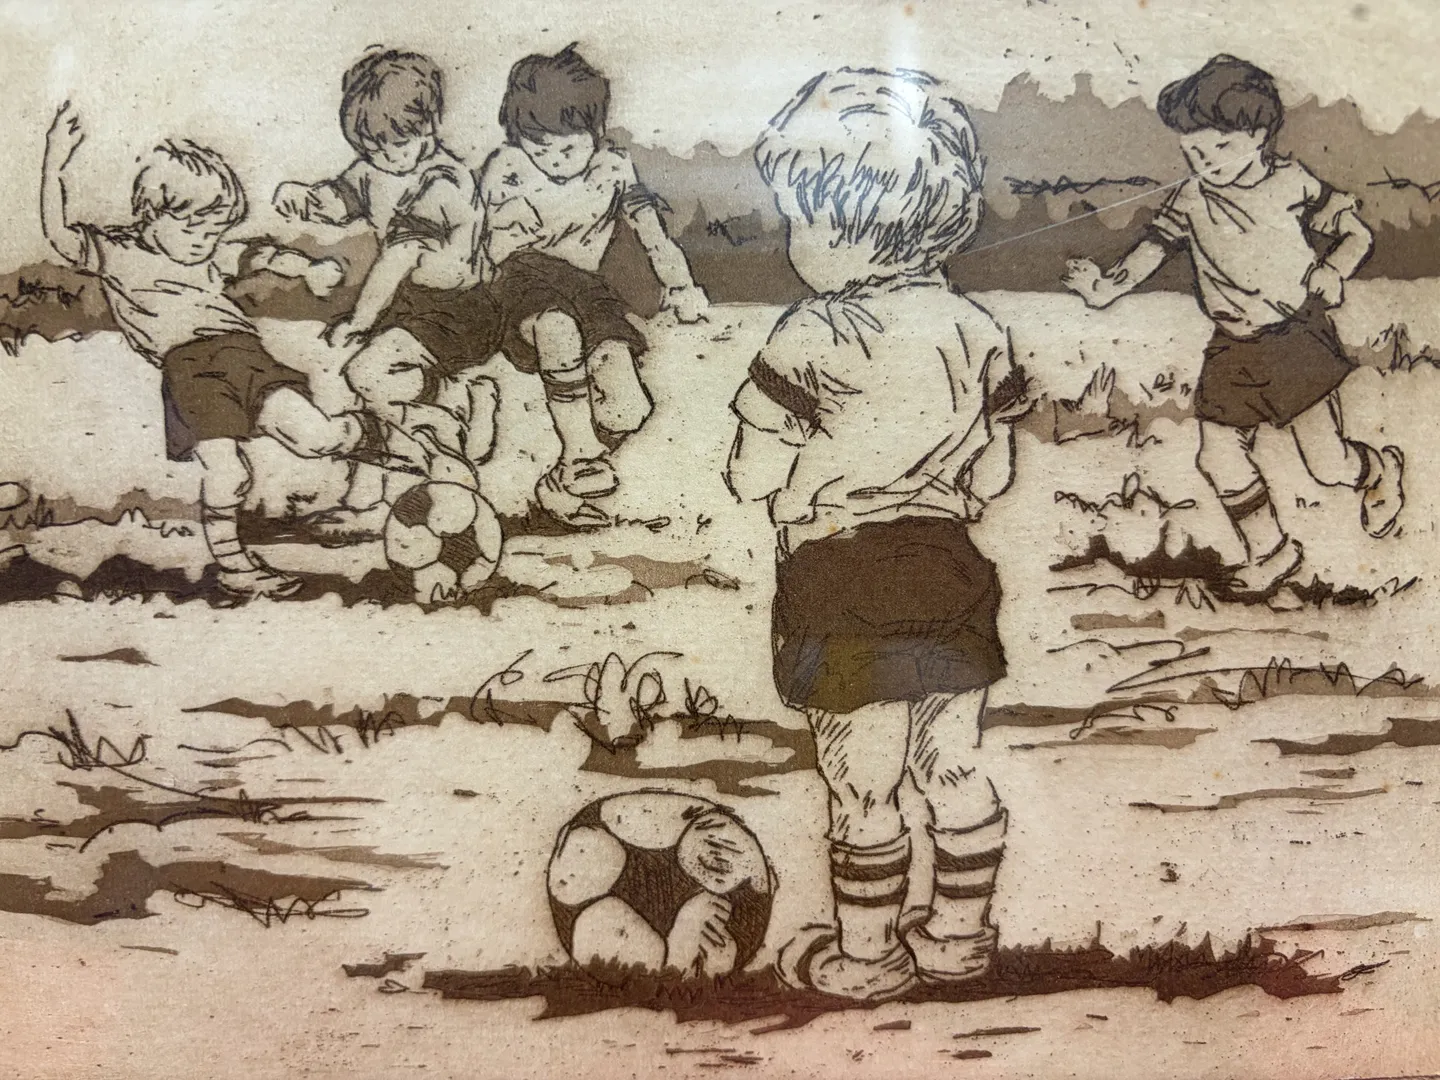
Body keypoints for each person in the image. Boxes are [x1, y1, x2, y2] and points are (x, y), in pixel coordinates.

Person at [724, 68, 1031, 1002]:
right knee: (952, 764)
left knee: (865, 786)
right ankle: (960, 938)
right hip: (948, 568)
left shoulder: (809, 333)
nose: (793, 241)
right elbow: (993, 476)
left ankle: (866, 956)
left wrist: (791, 486)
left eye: (799, 220)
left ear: (842, 224)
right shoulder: (979, 328)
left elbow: (750, 472)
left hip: (841, 575)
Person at [1063, 54, 1401, 602]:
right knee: (1217, 457)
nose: (1208, 163)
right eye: (1195, 153)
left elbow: (1356, 235)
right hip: (1232, 347)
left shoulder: (1290, 182)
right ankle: (1272, 553)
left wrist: (1333, 270)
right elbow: (1152, 251)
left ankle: (1378, 469)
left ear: (1259, 135)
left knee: (1328, 465)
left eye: (1221, 148)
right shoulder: (1190, 198)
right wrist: (1105, 288)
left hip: (1294, 339)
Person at [41, 102, 389, 598]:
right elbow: (59, 235)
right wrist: (55, 160)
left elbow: (264, 256)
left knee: (317, 438)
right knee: (228, 473)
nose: (204, 242)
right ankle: (235, 565)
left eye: (213, 231)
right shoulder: (117, 252)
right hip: (191, 373)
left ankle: (374, 431)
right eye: (193, 229)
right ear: (152, 215)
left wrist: (309, 269)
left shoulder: (210, 253)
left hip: (246, 358)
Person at [478, 44, 709, 527]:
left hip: (588, 292)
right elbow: (477, 246)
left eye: (568, 148)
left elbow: (652, 234)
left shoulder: (615, 168)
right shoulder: (506, 169)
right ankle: (581, 454)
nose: (554, 161)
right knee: (558, 329)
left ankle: (565, 477)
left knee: (628, 410)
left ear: (595, 133)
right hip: (523, 283)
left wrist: (682, 286)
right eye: (539, 148)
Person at [273, 48, 498, 538]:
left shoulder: (442, 182)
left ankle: (442, 441)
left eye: (393, 145)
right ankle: (369, 494)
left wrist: (360, 321)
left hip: (459, 311)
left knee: (366, 372)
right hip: (406, 305)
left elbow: (399, 256)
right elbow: (342, 199)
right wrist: (306, 198)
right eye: (371, 147)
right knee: (358, 383)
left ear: (428, 126)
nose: (381, 157)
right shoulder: (376, 166)